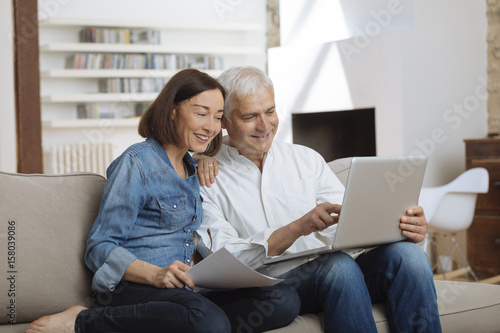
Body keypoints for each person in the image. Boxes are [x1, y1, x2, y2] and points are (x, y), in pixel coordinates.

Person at [25, 69, 299, 333]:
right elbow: (100, 247)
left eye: (217, 117)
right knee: (208, 321)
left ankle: (202, 324)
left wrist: (208, 158)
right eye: (201, 113)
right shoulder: (137, 163)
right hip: (134, 289)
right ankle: (84, 321)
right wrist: (155, 274)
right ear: (172, 110)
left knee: (282, 299)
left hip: (181, 292)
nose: (211, 127)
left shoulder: (193, 168)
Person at [194, 66, 442, 332]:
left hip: (337, 269)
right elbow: (223, 259)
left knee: (409, 257)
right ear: (224, 121)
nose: (265, 125)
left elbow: (351, 223)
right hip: (274, 288)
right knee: (339, 267)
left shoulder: (306, 159)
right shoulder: (205, 177)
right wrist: (296, 229)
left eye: (270, 111)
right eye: (250, 116)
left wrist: (403, 228)